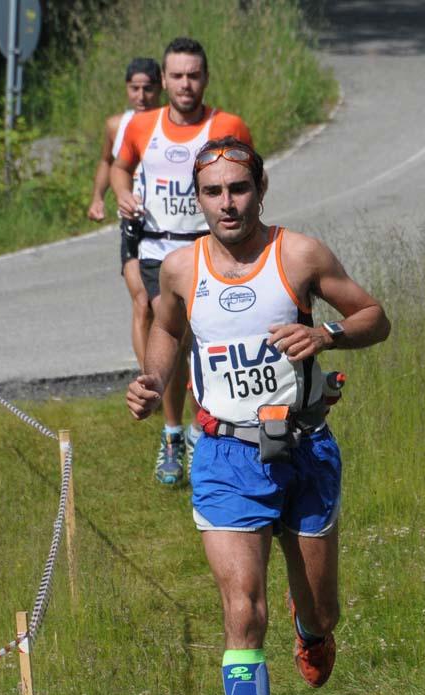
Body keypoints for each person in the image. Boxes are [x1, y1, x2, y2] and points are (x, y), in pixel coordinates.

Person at [126, 137, 391, 695]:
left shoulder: (299, 255)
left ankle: (315, 632)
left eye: (238, 189)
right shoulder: (182, 268)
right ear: (198, 198)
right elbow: (165, 329)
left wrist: (327, 336)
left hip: (302, 452)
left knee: (321, 610)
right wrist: (154, 382)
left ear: (260, 188)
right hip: (224, 458)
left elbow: (375, 317)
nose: (226, 204)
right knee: (243, 613)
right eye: (213, 193)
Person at [112, 38, 253, 486]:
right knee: (166, 334)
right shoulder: (141, 126)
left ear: (205, 78)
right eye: (177, 76)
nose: (185, 84)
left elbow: (252, 178)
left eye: (193, 75)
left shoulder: (227, 124)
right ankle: (172, 434)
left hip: (208, 250)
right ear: (164, 81)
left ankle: (203, 431)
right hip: (158, 250)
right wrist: (122, 193)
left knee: (205, 342)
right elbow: (120, 166)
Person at [87, 58, 162, 370]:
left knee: (169, 309)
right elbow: (107, 161)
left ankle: (178, 375)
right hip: (134, 225)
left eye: (148, 89)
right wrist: (98, 198)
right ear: (127, 89)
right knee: (143, 303)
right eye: (135, 89)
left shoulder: (172, 125)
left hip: (170, 227)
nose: (141, 96)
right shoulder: (117, 125)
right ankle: (149, 383)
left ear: (161, 88)